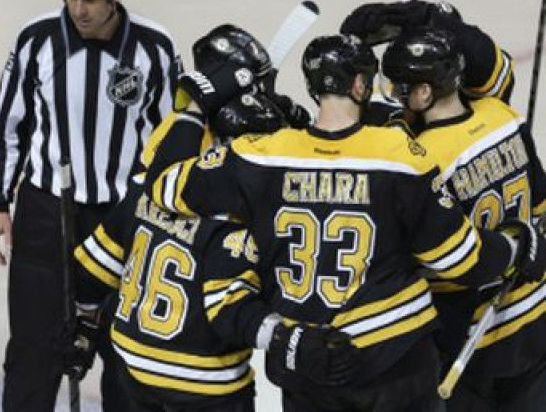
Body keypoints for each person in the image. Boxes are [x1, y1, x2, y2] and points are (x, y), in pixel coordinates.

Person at [142, 33, 546, 412]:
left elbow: (162, 185)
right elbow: (460, 259)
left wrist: (193, 106)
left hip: (306, 363)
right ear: (359, 85)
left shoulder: (260, 155)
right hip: (396, 358)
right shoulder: (400, 155)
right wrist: (513, 244)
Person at [0, 0, 181, 409]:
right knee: (34, 350)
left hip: (122, 219)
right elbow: (7, 124)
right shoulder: (36, 40)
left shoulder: (155, 48)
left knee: (126, 353)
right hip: (46, 215)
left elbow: (172, 141)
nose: (78, 9)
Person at [72, 25, 288, 412]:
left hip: (136, 357)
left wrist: (84, 317)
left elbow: (106, 252)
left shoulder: (176, 132)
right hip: (203, 370)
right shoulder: (241, 166)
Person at [382, 27, 546, 412]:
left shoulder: (422, 159)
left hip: (471, 339)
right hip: (536, 320)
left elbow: (429, 255)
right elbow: (540, 207)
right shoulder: (502, 114)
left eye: (401, 87)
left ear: (424, 93)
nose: (395, 96)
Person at [340, 0, 516, 133]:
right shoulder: (388, 107)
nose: (395, 91)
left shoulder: (483, 106)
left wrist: (428, 16)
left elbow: (482, 56)